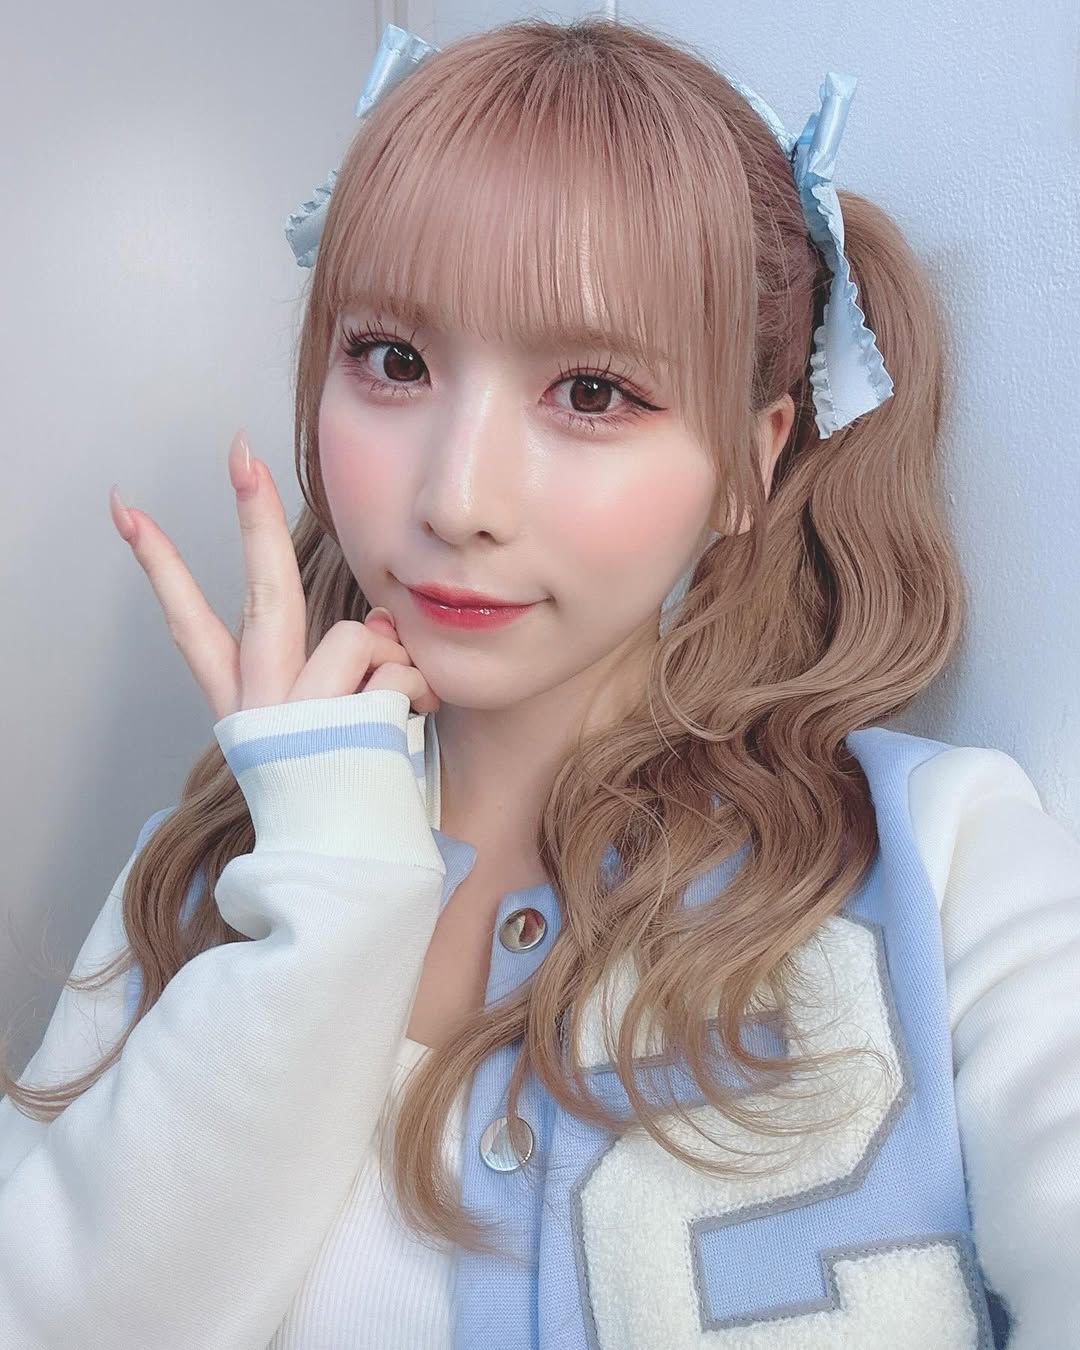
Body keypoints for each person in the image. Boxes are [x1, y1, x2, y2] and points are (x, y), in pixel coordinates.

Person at [1, 15, 1077, 1350]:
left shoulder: (944, 866)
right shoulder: (196, 880)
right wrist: (324, 897)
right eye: (393, 361)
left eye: (593, 392)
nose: (457, 497)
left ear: (753, 459)